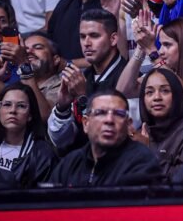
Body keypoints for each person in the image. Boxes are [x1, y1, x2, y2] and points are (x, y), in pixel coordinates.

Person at [47, 10, 128, 152]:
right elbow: (60, 141)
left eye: (94, 36)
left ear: (113, 39)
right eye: (82, 37)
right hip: (82, 163)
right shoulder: (81, 77)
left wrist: (82, 98)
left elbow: (115, 134)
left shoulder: (128, 78)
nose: (87, 43)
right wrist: (62, 107)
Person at [49, 90, 162, 186]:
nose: (109, 120)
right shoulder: (71, 162)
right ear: (86, 123)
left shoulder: (142, 162)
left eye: (118, 114)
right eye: (100, 113)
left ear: (128, 124)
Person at [0, 83, 57, 187]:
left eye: (21, 106)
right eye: (7, 105)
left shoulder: (43, 155)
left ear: (30, 115)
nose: (13, 111)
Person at [133, 68, 183, 179]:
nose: (157, 98)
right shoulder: (140, 134)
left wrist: (148, 153)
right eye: (149, 92)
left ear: (177, 95)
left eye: (165, 91)